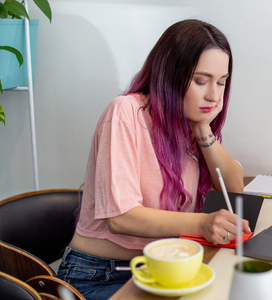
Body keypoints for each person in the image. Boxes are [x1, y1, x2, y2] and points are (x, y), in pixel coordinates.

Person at [57, 19, 251, 300]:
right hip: (100, 275)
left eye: (221, 83)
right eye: (201, 80)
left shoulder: (189, 119)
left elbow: (233, 189)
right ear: (171, 74)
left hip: (164, 266)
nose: (213, 95)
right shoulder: (125, 112)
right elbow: (121, 218)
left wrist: (202, 129)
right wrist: (200, 224)